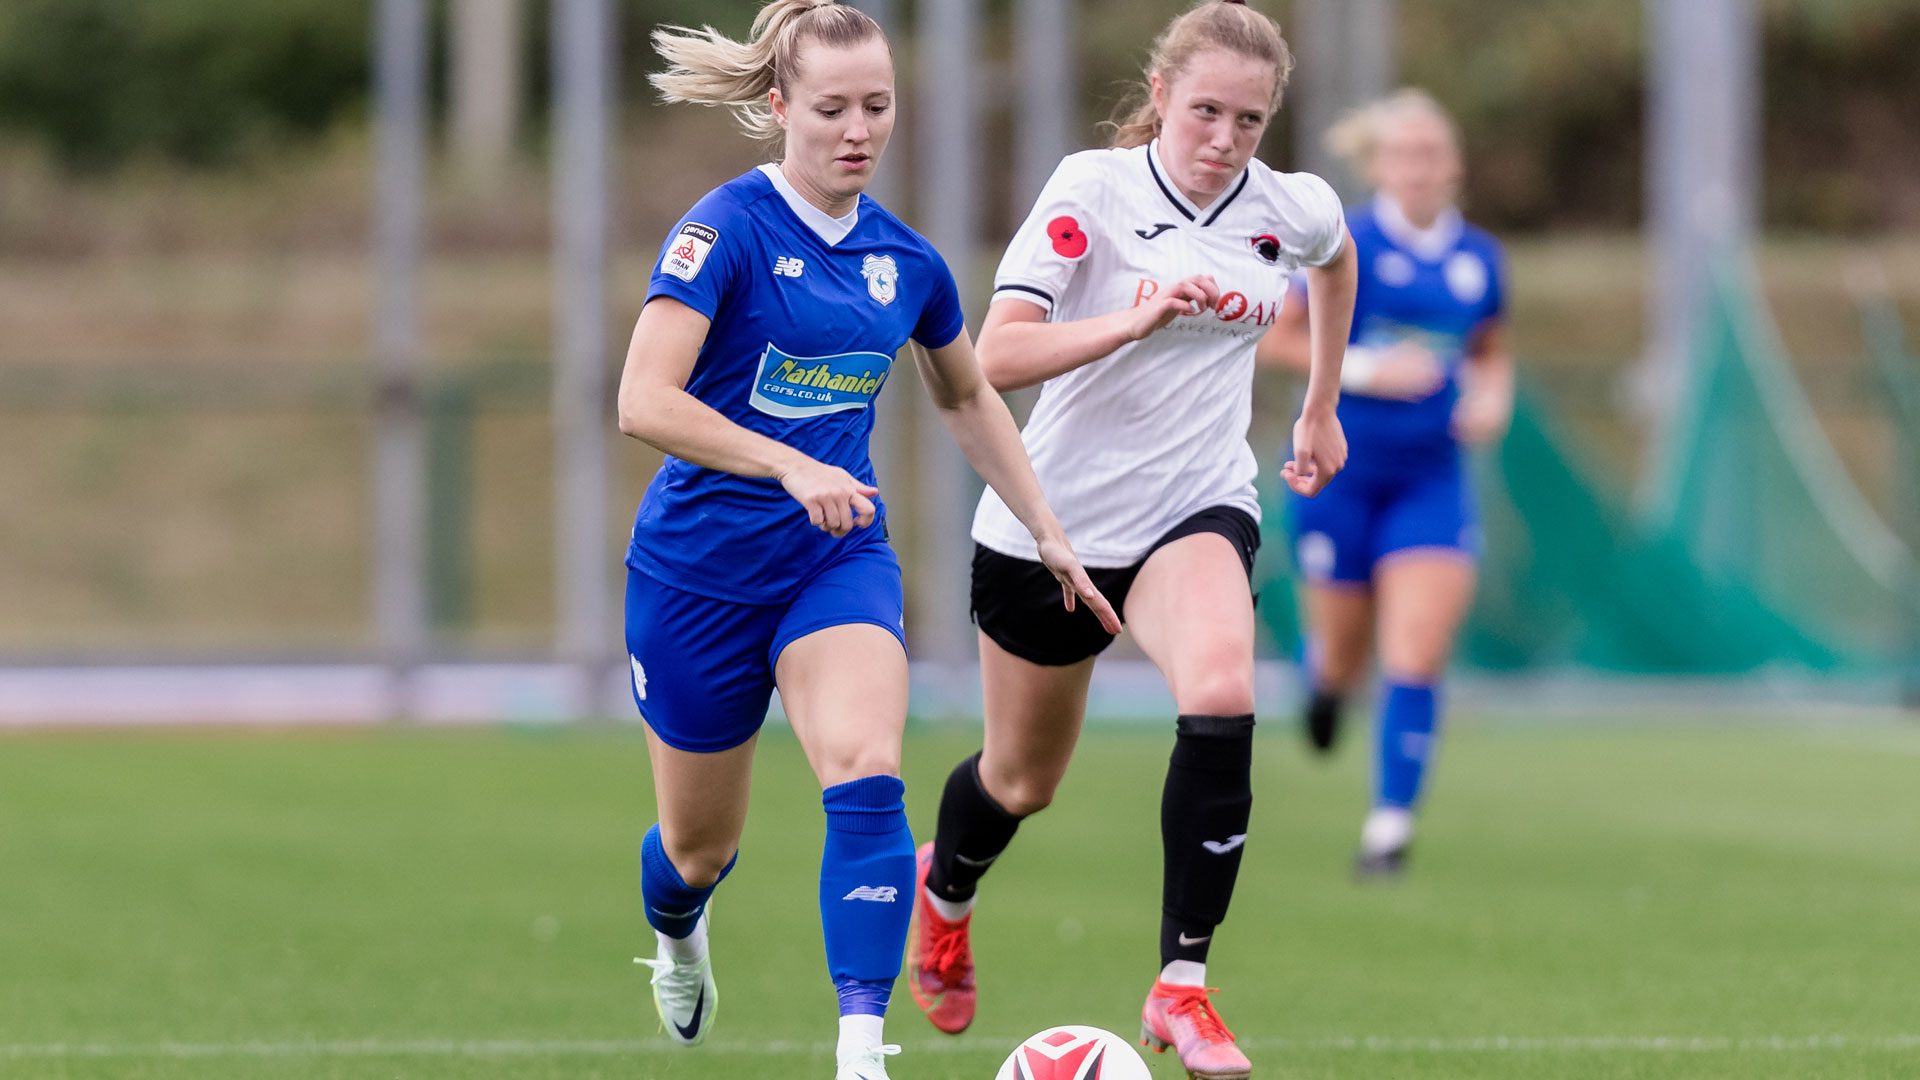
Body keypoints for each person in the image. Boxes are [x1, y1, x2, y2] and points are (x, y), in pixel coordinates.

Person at [618, 4, 1118, 1078]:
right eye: (833, 107)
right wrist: (787, 460)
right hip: (697, 573)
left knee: (867, 768)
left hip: (833, 562)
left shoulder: (908, 261)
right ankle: (675, 927)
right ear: (779, 105)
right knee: (698, 851)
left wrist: (1049, 529)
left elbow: (969, 395)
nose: (858, 129)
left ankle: (858, 1049)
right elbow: (643, 399)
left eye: (878, 106)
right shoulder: (724, 231)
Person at [906, 3, 1355, 1077]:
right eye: (1205, 110)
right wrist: (1134, 316)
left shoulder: (1289, 208)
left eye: (1250, 120)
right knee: (1020, 780)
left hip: (1195, 505)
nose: (1225, 138)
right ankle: (946, 888)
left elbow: (1334, 263)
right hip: (1049, 526)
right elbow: (993, 358)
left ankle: (1183, 986)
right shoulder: (1090, 192)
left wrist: (1320, 404)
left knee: (1221, 688)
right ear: (1160, 97)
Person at [1266, 88, 1513, 877]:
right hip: (1340, 472)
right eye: (1403, 154)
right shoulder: (1350, 242)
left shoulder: (1480, 259)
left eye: (1433, 153)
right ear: (1377, 164)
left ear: (1454, 165)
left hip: (1431, 480)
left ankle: (1389, 827)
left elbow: (1488, 350)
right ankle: (1325, 687)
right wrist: (1368, 370)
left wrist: (1492, 397)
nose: (1420, 168)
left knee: (1417, 648)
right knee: (1341, 656)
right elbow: (1280, 341)